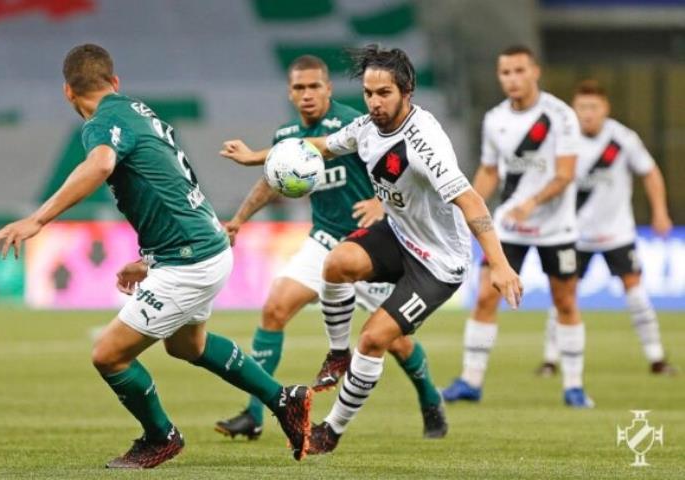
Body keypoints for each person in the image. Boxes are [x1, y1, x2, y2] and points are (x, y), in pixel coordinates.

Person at [0, 44, 313, 468]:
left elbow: (100, 166)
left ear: (68, 92)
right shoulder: (141, 112)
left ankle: (161, 436)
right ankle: (283, 398)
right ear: (115, 81)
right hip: (202, 245)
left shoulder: (102, 123)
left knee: (109, 355)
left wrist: (38, 219)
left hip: (190, 259)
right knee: (188, 345)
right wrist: (150, 258)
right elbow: (169, 185)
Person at [285, 44, 521, 454]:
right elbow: (322, 146)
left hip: (438, 263)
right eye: (368, 93)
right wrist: (259, 158)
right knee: (337, 262)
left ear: (407, 91)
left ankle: (331, 430)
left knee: (375, 339)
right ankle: (337, 354)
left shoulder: (425, 143)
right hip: (399, 234)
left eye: (384, 94)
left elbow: (472, 201)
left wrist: (498, 264)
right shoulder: (365, 128)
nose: (374, 103)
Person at [217, 55, 448, 440]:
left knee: (398, 343)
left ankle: (429, 398)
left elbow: (395, 165)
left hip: (370, 248)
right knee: (275, 308)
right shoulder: (287, 135)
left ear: (327, 89)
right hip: (324, 242)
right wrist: (240, 218)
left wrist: (381, 202)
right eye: (299, 88)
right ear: (290, 93)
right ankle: (254, 413)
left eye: (314, 86)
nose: (307, 94)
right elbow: (271, 181)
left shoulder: (355, 124)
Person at [442, 45, 595, 408]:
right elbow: (491, 170)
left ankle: (573, 386)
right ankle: (470, 381)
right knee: (483, 297)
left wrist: (532, 202)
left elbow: (566, 174)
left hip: (557, 229)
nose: (512, 78)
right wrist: (464, 211)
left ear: (535, 72)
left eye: (518, 71)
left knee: (565, 302)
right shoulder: (495, 119)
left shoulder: (561, 116)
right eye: (505, 72)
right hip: (509, 228)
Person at [536, 79, 676, 376]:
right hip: (574, 234)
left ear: (605, 108)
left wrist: (660, 211)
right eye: (582, 107)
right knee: (563, 295)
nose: (587, 113)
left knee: (636, 293)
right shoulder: (562, 139)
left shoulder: (622, 139)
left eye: (593, 107)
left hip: (617, 234)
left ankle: (657, 358)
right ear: (574, 109)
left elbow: (650, 173)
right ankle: (550, 359)